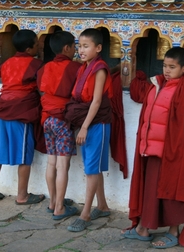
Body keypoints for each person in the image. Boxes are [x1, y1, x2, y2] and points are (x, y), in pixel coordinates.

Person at [122, 47, 184, 248]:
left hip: (172, 153)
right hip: (150, 149)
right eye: (165, 65)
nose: (167, 70)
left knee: (172, 193)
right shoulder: (156, 86)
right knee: (149, 190)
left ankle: (173, 231)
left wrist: (179, 154)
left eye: (172, 67)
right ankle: (143, 228)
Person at [0, 29, 45, 205]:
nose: (38, 47)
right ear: (29, 49)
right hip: (22, 112)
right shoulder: (36, 64)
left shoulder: (6, 63)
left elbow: (1, 74)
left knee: (0, 150)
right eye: (36, 44)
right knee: (24, 155)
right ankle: (22, 196)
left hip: (4, 109)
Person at [64, 28, 113, 232]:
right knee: (93, 168)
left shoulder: (99, 69)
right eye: (80, 45)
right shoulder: (85, 67)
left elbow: (97, 101)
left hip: (97, 124)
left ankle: (85, 214)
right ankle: (102, 206)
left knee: (91, 169)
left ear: (98, 48)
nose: (81, 50)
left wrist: (83, 127)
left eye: (86, 46)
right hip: (89, 121)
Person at [37, 31, 81, 220]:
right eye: (74, 47)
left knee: (52, 162)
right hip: (62, 120)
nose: (75, 50)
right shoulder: (74, 68)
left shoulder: (45, 67)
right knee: (63, 166)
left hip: (47, 119)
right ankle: (60, 208)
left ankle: (53, 201)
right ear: (67, 48)